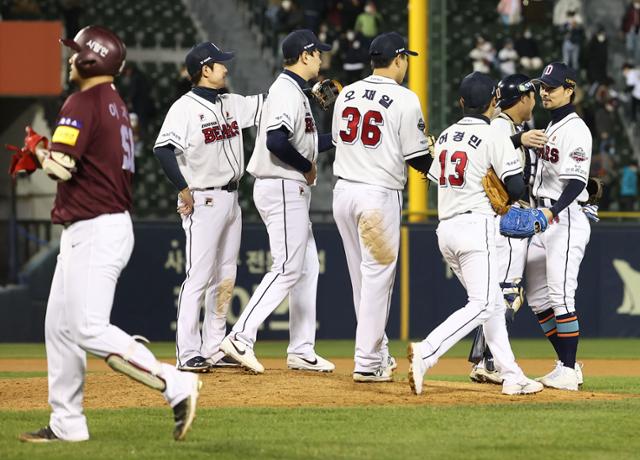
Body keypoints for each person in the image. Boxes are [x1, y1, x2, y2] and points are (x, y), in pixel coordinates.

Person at [18, 25, 200, 443]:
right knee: (60, 328)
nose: (70, 58)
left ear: (91, 58)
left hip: (96, 226)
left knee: (86, 327)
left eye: (75, 51)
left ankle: (176, 384)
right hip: (99, 224)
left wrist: (38, 150)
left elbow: (60, 167)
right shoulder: (115, 102)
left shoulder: (83, 99)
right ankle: (67, 424)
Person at [407, 71, 545, 397]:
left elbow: (435, 173)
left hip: (446, 229)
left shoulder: (445, 137)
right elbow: (514, 187)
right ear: (494, 102)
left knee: (493, 304)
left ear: (461, 102)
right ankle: (426, 352)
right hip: (475, 227)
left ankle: (512, 375)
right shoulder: (493, 134)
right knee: (483, 304)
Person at [220, 29, 336, 374]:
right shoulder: (285, 91)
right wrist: (307, 167)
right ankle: (240, 337)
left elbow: (304, 143)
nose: (321, 59)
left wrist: (344, 137)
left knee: (307, 266)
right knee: (287, 267)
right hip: (282, 186)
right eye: (318, 54)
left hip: (288, 187)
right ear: (304, 55)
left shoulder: (295, 92)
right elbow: (275, 142)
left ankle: (301, 349)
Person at [153, 42, 265, 372]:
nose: (226, 68)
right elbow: (163, 150)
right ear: (205, 69)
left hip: (232, 198)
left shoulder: (231, 103)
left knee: (226, 276)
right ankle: (187, 352)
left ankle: (214, 346)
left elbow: (268, 107)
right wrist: (183, 188)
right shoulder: (183, 108)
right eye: (220, 64)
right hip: (203, 198)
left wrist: (304, 90)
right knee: (199, 276)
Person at [332, 32, 431, 382]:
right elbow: (418, 156)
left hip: (343, 193)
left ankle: (376, 354)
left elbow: (337, 142)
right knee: (377, 281)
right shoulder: (405, 99)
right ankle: (368, 361)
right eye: (406, 59)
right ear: (399, 59)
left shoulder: (347, 94)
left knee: (362, 280)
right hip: (377, 195)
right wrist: (442, 171)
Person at [468, 74, 549, 384]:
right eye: (532, 95)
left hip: (510, 214)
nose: (535, 100)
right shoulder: (501, 127)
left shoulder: (512, 128)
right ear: (523, 99)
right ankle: (487, 361)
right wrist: (518, 140)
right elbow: (491, 152)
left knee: (503, 292)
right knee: (506, 292)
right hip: (505, 216)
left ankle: (485, 360)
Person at [527, 62, 593, 391]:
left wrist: (551, 213)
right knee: (538, 298)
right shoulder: (547, 125)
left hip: (563, 218)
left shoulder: (576, 129)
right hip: (542, 216)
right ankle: (568, 365)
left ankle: (567, 369)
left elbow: (576, 183)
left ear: (569, 90)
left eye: (552, 87)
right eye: (542, 86)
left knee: (561, 296)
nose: (544, 92)